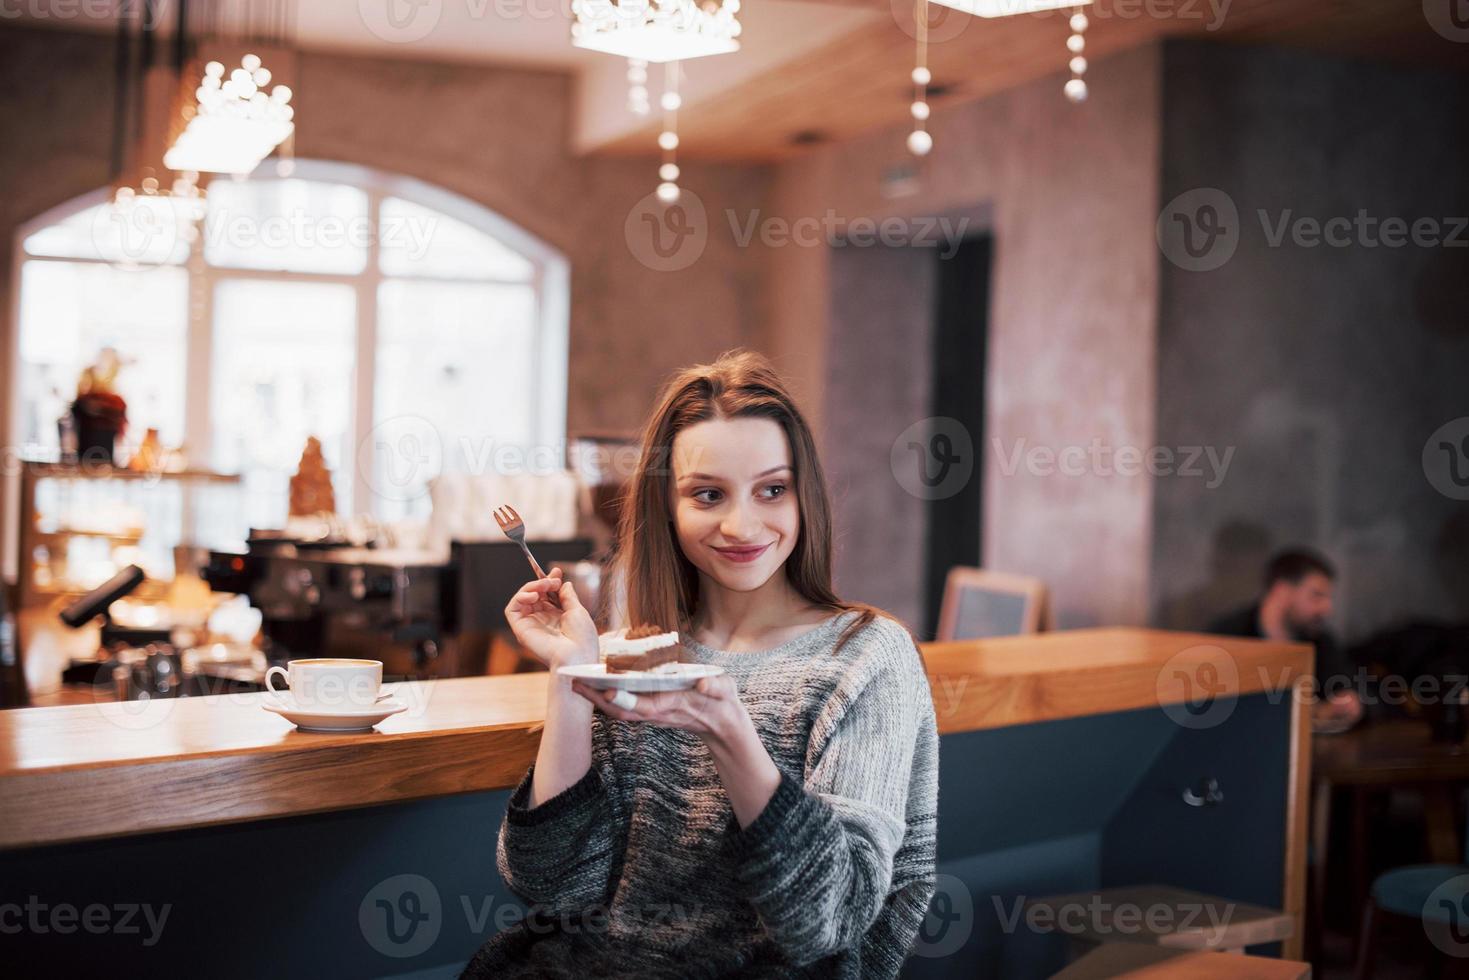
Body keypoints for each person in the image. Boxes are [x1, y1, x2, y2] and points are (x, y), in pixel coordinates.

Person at [461, 350, 939, 978]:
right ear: (668, 506)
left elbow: (827, 923)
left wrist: (727, 727)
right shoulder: (631, 656)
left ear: (806, 497)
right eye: (708, 495)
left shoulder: (864, 656)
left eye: (773, 489)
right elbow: (551, 885)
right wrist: (572, 672)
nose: (742, 525)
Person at [1208, 549, 1363, 729]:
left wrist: (1352, 703)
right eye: (1317, 595)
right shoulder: (1226, 638)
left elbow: (1358, 689)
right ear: (1282, 591)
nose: (1327, 608)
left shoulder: (1320, 642)